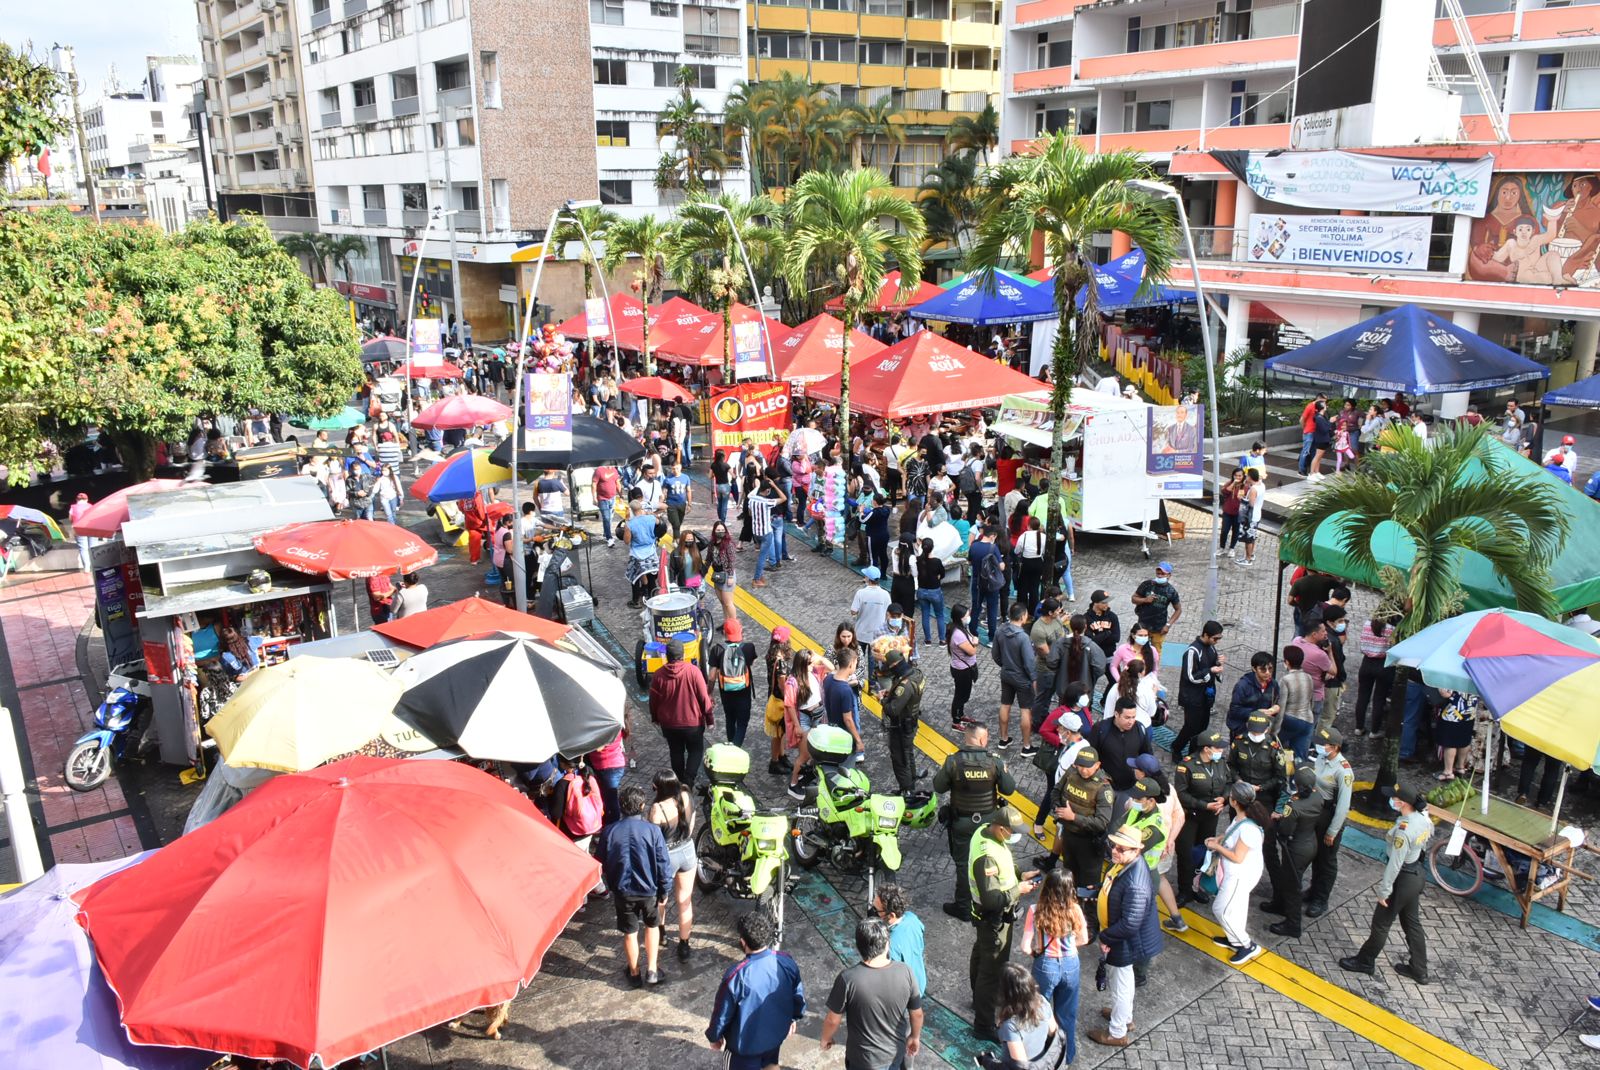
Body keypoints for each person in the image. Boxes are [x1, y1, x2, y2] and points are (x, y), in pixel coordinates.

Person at [1340, 787, 1434, 984]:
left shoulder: (1404, 830)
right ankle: (1419, 969)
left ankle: (1365, 961)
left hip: (1403, 878)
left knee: (1381, 924)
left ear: (1404, 803)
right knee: (1412, 923)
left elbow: (1395, 865)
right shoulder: (1423, 820)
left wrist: (1384, 890)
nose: (1392, 800)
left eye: (1395, 798)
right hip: (1416, 875)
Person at [968, 806, 1040, 1041]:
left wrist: (1020, 875)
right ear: (1000, 829)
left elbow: (1004, 865)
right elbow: (992, 899)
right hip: (993, 920)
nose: (1014, 836)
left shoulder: (985, 831)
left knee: (980, 955)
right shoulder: (986, 857)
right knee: (991, 971)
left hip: (986, 921)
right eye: (1012, 831)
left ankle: (978, 999)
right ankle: (984, 1025)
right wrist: (1018, 890)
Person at [934, 721, 1016, 920]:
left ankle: (963, 907)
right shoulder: (994, 761)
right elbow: (1009, 789)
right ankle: (993, 897)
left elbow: (938, 786)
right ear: (981, 739)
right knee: (992, 857)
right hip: (989, 822)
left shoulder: (953, 761)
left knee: (963, 863)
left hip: (961, 822)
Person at [706, 908, 807, 1070]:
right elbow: (797, 995)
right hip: (775, 1039)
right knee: (771, 1065)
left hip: (743, 1050)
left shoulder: (736, 975)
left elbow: (722, 1014)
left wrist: (714, 1036)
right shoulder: (786, 961)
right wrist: (794, 1018)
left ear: (743, 941)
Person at [1086, 825, 1159, 1049]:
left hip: (1124, 941)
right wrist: (1098, 889)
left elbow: (1130, 923)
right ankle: (1124, 1018)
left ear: (1136, 851)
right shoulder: (1124, 864)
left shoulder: (1136, 883)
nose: (1115, 851)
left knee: (1120, 985)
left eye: (1122, 848)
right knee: (1123, 981)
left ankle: (1117, 1032)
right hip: (1120, 938)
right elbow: (1113, 885)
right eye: (1114, 845)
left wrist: (1106, 937)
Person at [821, 917, 924, 1070]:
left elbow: (832, 1020)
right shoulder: (906, 971)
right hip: (894, 1054)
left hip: (862, 1059)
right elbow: (917, 1014)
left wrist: (825, 1039)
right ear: (887, 944)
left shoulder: (847, 979)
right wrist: (915, 1037)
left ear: (858, 946)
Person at [597, 785, 673, 987]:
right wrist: (664, 890)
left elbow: (600, 862)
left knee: (630, 932)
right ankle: (652, 970)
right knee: (652, 926)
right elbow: (663, 864)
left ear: (621, 806)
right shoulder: (653, 831)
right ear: (641, 805)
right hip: (649, 891)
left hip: (623, 892)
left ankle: (634, 972)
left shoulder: (609, 832)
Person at [1048, 747, 1114, 932]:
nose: (1083, 770)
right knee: (1069, 878)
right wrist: (1058, 809)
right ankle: (1068, 912)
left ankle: (1091, 924)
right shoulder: (1071, 772)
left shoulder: (1103, 788)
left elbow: (1102, 822)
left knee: (1090, 887)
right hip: (1069, 837)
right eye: (1080, 766)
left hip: (1090, 844)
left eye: (1088, 767)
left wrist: (1073, 817)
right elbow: (1055, 792)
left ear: (1098, 765)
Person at [1205, 781, 1268, 965]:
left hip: (1241, 875)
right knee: (1236, 909)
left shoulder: (1249, 828)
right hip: (1237, 873)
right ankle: (1234, 940)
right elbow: (1231, 834)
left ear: (1233, 802)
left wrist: (1216, 846)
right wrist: (1218, 839)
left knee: (1221, 910)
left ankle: (1246, 945)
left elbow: (1237, 856)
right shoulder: (1242, 818)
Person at [1028, 870, 1086, 1066]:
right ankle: (1066, 1058)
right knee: (1066, 1014)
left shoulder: (1036, 910)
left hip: (1046, 966)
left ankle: (1042, 1054)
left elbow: (1027, 945)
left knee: (1039, 1012)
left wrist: (1036, 949)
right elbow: (1083, 939)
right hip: (1071, 965)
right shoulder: (1075, 910)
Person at [1173, 728, 1233, 911]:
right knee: (1186, 854)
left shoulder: (1221, 763)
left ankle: (1196, 885)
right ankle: (1184, 890)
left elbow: (1229, 783)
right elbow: (1181, 794)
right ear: (1206, 749)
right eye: (1217, 748)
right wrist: (1203, 805)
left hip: (1210, 817)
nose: (1221, 751)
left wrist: (1224, 798)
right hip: (1191, 816)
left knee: (1205, 853)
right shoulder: (1187, 766)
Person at [1304, 726, 1355, 919]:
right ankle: (1313, 890)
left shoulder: (1343, 771)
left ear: (1334, 747)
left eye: (1323, 744)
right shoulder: (1321, 758)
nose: (1319, 747)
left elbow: (1343, 805)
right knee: (1315, 855)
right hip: (1316, 812)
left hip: (1329, 816)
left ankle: (1321, 899)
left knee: (1327, 860)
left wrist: (1332, 831)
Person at [977, 963, 1068, 1070]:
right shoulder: (1042, 1002)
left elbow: (1020, 1067)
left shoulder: (1011, 1026)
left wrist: (987, 1061)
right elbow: (1055, 1035)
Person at [648, 639, 714, 787]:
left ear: (667, 656)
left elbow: (653, 700)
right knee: (696, 750)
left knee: (676, 751)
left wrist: (655, 717)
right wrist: (709, 719)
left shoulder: (658, 675)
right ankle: (688, 780)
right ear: (683, 655)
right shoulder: (693, 671)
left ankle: (678, 780)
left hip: (669, 725)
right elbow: (704, 697)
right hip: (693, 724)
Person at [647, 771, 697, 961]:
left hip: (666, 856)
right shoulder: (686, 795)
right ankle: (684, 945)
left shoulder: (657, 808)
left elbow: (654, 839)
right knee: (685, 900)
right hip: (687, 850)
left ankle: (662, 934)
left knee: (662, 899)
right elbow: (691, 824)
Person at [1171, 621, 1226, 760]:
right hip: (1192, 697)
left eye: (1219, 638)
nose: (1217, 642)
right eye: (1215, 638)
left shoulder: (1212, 649)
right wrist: (1210, 671)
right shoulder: (1192, 651)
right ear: (1206, 635)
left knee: (1202, 726)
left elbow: (1215, 669)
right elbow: (1190, 676)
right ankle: (1177, 747)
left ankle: (1193, 753)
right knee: (1191, 727)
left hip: (1206, 696)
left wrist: (1218, 666)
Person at [876, 648, 923, 794]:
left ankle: (907, 791)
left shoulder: (905, 685)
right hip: (912, 722)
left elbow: (893, 710)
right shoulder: (917, 674)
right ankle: (912, 781)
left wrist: (882, 700)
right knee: (908, 754)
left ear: (894, 664)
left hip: (901, 726)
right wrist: (891, 693)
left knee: (900, 759)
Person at [710, 617, 758, 748]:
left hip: (726, 692)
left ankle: (731, 743)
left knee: (729, 719)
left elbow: (712, 677)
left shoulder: (717, 649)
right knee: (742, 723)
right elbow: (751, 663)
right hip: (743, 692)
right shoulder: (748, 648)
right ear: (740, 630)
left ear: (724, 632)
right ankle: (734, 749)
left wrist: (709, 694)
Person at [994, 602, 1035, 751]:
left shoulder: (1000, 631)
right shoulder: (1023, 637)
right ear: (1023, 616)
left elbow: (995, 655)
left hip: (1006, 675)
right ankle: (1026, 746)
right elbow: (1029, 663)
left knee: (1005, 705)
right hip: (1022, 679)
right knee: (1025, 710)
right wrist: (1033, 678)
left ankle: (1003, 739)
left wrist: (1006, 665)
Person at [874, 883, 926, 996]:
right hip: (919, 982)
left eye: (877, 910)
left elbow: (891, 981)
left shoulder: (890, 946)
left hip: (905, 994)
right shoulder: (912, 918)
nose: (874, 913)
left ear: (891, 915)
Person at [1352, 616, 1397, 738]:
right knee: (1379, 699)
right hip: (1384, 665)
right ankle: (1374, 731)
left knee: (1362, 696)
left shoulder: (1367, 624)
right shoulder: (1392, 629)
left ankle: (1359, 727)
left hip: (1366, 663)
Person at [824, 645, 867, 764]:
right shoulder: (845, 690)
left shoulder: (828, 679)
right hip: (844, 735)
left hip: (832, 729)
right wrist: (858, 740)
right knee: (846, 765)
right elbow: (848, 719)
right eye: (855, 663)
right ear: (851, 664)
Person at [1226, 651, 1282, 738]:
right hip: (1242, 729)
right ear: (1254, 669)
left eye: (1270, 669)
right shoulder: (1242, 686)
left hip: (1262, 730)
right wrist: (1256, 713)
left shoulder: (1273, 684)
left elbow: (1276, 701)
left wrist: (1276, 708)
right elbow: (1234, 710)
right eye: (1263, 669)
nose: (1267, 672)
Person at [763, 628, 795, 775]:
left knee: (780, 731)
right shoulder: (780, 662)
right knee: (778, 732)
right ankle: (774, 762)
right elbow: (783, 685)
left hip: (772, 695)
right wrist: (790, 699)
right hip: (779, 700)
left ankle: (781, 756)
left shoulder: (771, 655)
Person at [1130, 561, 1181, 653]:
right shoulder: (1147, 585)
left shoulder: (1171, 591)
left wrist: (1168, 625)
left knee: (1156, 653)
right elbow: (1134, 599)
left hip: (1159, 628)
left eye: (1163, 574)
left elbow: (1178, 610)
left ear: (1169, 575)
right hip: (1143, 625)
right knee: (1138, 651)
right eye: (1158, 573)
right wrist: (1145, 600)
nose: (1160, 576)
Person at [624, 500, 667, 607]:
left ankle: (636, 601)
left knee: (635, 577)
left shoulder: (629, 524)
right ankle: (652, 598)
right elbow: (661, 525)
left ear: (632, 510)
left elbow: (627, 541)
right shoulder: (651, 518)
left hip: (637, 554)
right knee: (652, 577)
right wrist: (649, 514)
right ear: (640, 508)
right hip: (651, 552)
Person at [969, 525, 1007, 643]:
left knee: (976, 607)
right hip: (991, 583)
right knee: (992, 609)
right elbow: (1001, 567)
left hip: (976, 582)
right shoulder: (993, 547)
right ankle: (991, 637)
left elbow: (969, 561)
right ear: (992, 536)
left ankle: (973, 632)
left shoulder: (974, 546)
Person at [947, 604, 980, 727]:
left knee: (963, 693)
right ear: (960, 618)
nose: (968, 617)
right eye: (966, 616)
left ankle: (960, 715)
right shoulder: (958, 634)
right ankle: (956, 721)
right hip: (962, 670)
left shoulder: (960, 628)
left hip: (964, 668)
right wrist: (975, 643)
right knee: (961, 695)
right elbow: (971, 651)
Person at [749, 477, 785, 589]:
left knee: (762, 554)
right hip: (766, 533)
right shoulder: (767, 502)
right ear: (768, 490)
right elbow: (784, 498)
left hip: (756, 532)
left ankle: (759, 576)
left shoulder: (751, 499)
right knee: (762, 557)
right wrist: (774, 486)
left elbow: (750, 514)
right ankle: (756, 579)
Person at [705, 520, 738, 626]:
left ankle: (734, 627)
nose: (720, 532)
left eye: (722, 530)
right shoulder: (712, 543)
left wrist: (731, 576)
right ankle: (726, 624)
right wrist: (703, 571)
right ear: (714, 531)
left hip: (727, 574)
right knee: (723, 603)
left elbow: (732, 560)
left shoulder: (728, 544)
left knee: (728, 603)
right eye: (718, 530)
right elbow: (709, 559)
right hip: (717, 575)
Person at [1216, 469, 1246, 559]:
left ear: (1243, 476)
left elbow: (1245, 498)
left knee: (1235, 531)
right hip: (1227, 512)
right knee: (1224, 530)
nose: (1238, 477)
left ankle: (1232, 548)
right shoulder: (1229, 483)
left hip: (1238, 513)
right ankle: (1222, 547)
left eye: (1240, 476)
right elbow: (1225, 492)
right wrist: (1233, 483)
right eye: (1236, 475)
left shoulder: (1245, 486)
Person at [1297, 392, 1329, 476]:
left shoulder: (1320, 408)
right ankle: (1301, 470)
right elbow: (1302, 419)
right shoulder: (1310, 406)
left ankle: (1313, 470)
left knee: (1314, 451)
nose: (1325, 403)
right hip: (1309, 432)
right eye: (1323, 401)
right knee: (1306, 451)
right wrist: (1305, 428)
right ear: (1319, 399)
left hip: (1316, 432)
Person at [593, 464, 622, 547]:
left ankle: (606, 533)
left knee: (610, 518)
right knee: (606, 518)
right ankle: (609, 538)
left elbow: (617, 482)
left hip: (612, 498)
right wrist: (594, 497)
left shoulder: (614, 470)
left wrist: (620, 495)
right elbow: (594, 484)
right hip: (602, 499)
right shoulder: (599, 470)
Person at [663, 458, 692, 541]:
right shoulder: (668, 479)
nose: (675, 470)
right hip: (671, 503)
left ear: (680, 467)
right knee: (675, 523)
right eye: (673, 468)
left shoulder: (686, 478)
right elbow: (664, 492)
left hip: (682, 503)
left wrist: (689, 504)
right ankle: (677, 540)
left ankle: (675, 538)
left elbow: (688, 490)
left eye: (677, 468)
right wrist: (662, 503)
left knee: (679, 522)